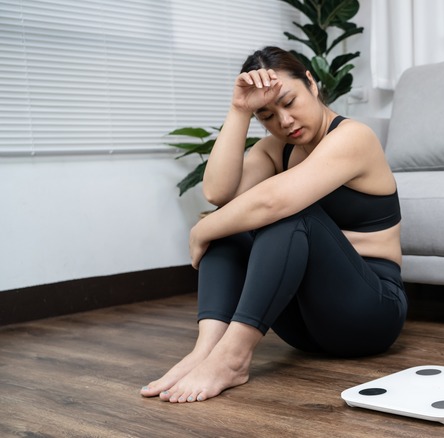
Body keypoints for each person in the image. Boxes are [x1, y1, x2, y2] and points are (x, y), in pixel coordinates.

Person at [140, 46, 407, 403]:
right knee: (231, 222)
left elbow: (274, 202)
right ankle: (206, 351)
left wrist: (199, 229)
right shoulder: (273, 149)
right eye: (266, 114)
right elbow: (219, 193)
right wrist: (238, 110)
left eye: (289, 101)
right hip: (304, 328)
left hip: (369, 314)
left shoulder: (353, 137)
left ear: (311, 83)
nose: (284, 121)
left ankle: (233, 358)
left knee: (289, 213)